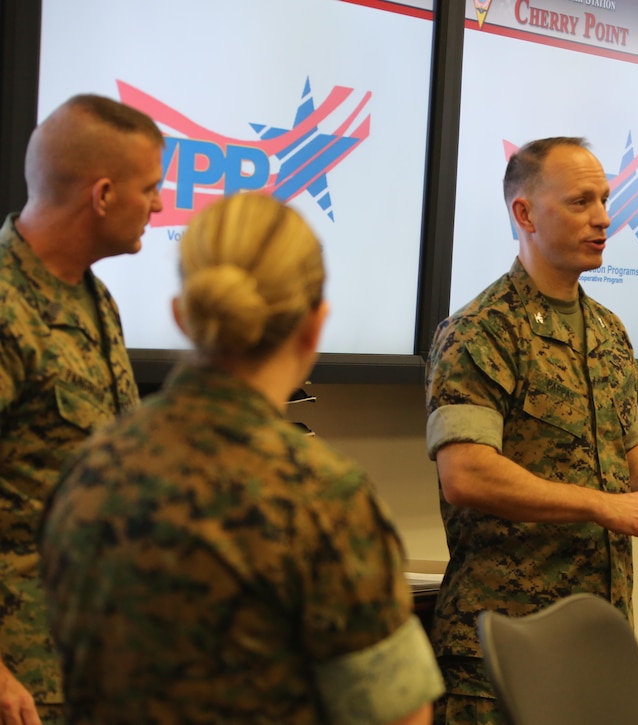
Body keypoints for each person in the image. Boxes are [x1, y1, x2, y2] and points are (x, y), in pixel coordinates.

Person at [37, 192, 444, 724]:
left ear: (181, 315)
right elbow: (398, 716)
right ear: (315, 325)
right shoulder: (323, 496)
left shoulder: (87, 470)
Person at [424, 136, 638, 724]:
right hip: (503, 658)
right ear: (524, 213)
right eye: (580, 202)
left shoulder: (608, 331)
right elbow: (465, 474)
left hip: (598, 649)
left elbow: (633, 449)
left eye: (604, 199)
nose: (602, 218)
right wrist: (602, 506)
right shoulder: (481, 331)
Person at [0, 94, 165, 725]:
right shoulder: (9, 311)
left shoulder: (96, 301)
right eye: (149, 188)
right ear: (101, 195)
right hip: (22, 679)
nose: (157, 205)